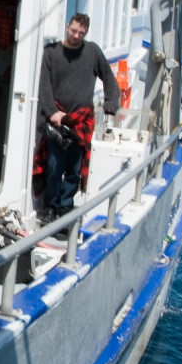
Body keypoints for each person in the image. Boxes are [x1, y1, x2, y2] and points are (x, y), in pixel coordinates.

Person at [36, 13, 120, 220]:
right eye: (73, 31)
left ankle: (66, 206)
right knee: (54, 165)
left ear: (86, 33)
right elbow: (44, 85)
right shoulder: (51, 53)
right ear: (67, 27)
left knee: (74, 167)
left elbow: (109, 78)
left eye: (81, 33)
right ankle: (50, 206)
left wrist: (111, 104)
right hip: (57, 119)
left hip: (81, 120)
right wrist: (52, 113)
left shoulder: (92, 51)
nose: (76, 36)